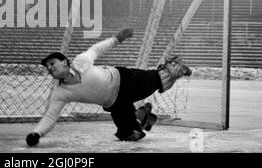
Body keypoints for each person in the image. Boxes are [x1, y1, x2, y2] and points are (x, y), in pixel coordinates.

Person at [26, 28, 192, 146]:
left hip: (125, 79)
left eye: (52, 63)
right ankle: (143, 118)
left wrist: (118, 38)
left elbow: (97, 49)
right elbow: (50, 117)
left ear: (64, 62)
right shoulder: (60, 93)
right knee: (129, 134)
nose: (50, 68)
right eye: (47, 67)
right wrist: (37, 134)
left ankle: (178, 69)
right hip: (115, 103)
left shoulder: (80, 61)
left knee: (157, 78)